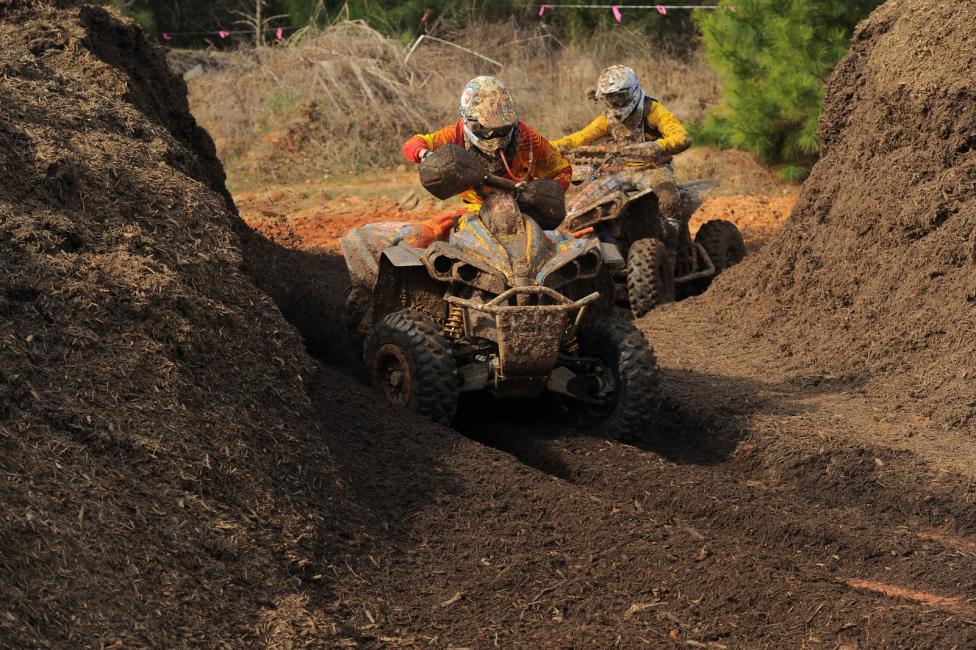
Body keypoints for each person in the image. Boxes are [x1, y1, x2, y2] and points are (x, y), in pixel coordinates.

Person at [402, 76, 572, 246]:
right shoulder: (455, 134)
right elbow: (413, 144)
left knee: (552, 248)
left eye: (503, 129)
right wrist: (428, 155)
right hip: (473, 209)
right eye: (484, 129)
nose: (494, 137)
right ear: (467, 120)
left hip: (520, 210)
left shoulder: (527, 137)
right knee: (419, 238)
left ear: (512, 122)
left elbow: (562, 170)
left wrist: (543, 194)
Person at [552, 65, 690, 224]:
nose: (616, 102)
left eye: (621, 96)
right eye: (611, 97)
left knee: (669, 201)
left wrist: (658, 146)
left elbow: (682, 137)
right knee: (585, 205)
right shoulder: (607, 119)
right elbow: (578, 138)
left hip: (655, 169)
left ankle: (671, 242)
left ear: (633, 91)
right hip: (622, 171)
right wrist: (545, 146)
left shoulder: (653, 111)